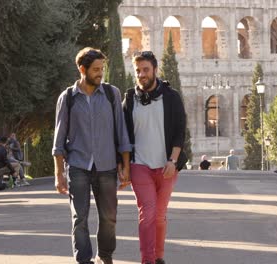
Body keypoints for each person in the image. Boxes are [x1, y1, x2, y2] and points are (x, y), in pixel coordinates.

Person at [52, 47, 131, 264]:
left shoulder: (111, 94)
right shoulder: (68, 98)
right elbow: (59, 140)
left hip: (107, 166)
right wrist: (59, 173)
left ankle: (105, 256)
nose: (100, 73)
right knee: (80, 218)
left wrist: (126, 166)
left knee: (109, 218)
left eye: (102, 69)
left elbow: (121, 132)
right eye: (96, 69)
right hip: (78, 166)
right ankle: (84, 260)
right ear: (82, 69)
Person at [122, 51, 187, 264]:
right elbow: (123, 134)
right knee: (147, 213)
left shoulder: (171, 96)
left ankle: (159, 256)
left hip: (167, 166)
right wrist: (123, 165)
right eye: (138, 70)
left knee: (159, 215)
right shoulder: (130, 98)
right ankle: (147, 260)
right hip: (139, 165)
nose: (141, 74)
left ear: (155, 70)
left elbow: (180, 130)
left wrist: (173, 160)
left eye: (145, 70)